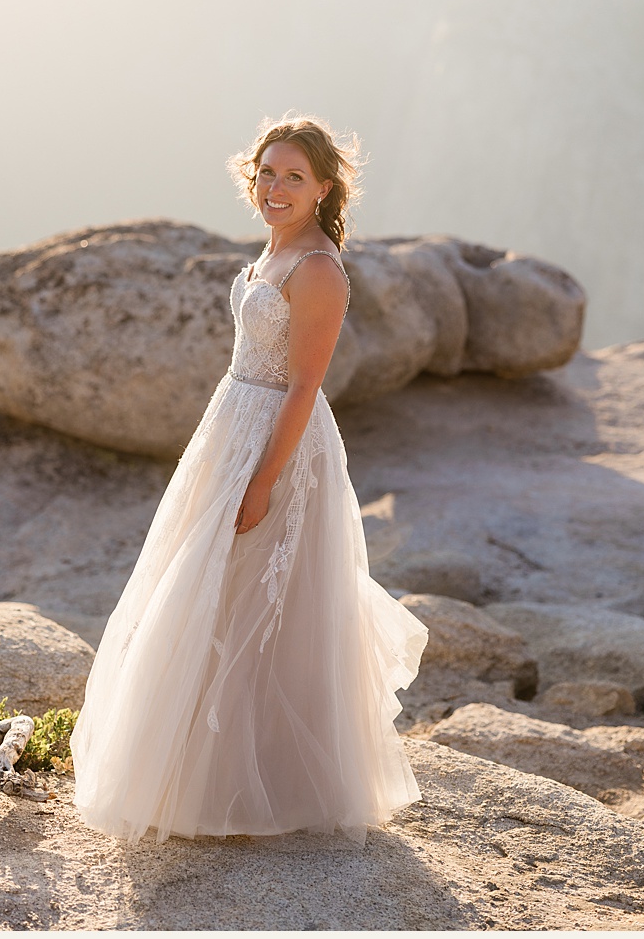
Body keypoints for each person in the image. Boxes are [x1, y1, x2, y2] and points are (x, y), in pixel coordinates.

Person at [73, 115, 429, 841]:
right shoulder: (275, 252)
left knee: (271, 606)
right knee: (207, 591)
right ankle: (196, 774)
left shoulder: (320, 270)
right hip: (231, 424)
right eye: (267, 172)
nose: (274, 187)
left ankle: (272, 782)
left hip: (280, 443)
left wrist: (264, 481)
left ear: (324, 187)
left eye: (293, 176)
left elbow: (304, 387)